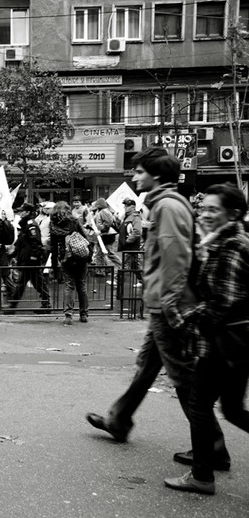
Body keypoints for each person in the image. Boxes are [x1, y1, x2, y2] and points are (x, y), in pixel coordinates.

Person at [85, 148, 229, 469]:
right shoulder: (164, 204)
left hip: (168, 305)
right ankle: (119, 419)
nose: (134, 177)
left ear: (156, 175)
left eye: (138, 171)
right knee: (147, 367)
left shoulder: (166, 206)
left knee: (181, 377)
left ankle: (212, 447)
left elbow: (176, 259)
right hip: (163, 303)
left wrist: (170, 304)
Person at [165, 183, 249, 495]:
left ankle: (201, 475)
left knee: (200, 404)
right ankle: (206, 462)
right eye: (204, 208)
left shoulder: (232, 248)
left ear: (234, 213)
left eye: (213, 209)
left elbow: (222, 303)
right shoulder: (223, 243)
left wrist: (185, 317)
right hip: (235, 343)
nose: (206, 214)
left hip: (223, 343)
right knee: (232, 410)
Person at [49, 201, 90, 325]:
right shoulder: (74, 221)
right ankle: (84, 314)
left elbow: (53, 247)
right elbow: (85, 237)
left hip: (66, 258)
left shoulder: (53, 225)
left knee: (69, 285)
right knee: (82, 285)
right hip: (81, 257)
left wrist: (54, 264)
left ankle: (68, 314)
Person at [7, 203, 51, 313]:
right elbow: (22, 242)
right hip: (27, 259)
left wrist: (33, 257)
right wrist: (13, 253)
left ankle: (13, 305)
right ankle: (14, 304)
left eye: (22, 211)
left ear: (27, 212)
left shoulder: (31, 225)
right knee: (32, 282)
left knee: (34, 282)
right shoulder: (25, 224)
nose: (19, 213)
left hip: (31, 260)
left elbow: (35, 242)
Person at [91, 198, 122, 275]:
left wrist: (101, 231)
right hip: (104, 235)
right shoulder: (104, 211)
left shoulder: (103, 212)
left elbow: (108, 223)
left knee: (109, 254)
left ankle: (121, 266)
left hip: (105, 236)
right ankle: (101, 271)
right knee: (100, 254)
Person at [119, 198, 144, 285]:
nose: (125, 207)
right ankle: (142, 280)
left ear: (133, 207)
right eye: (125, 205)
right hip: (128, 245)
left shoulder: (135, 217)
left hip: (131, 246)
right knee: (134, 264)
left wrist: (128, 241)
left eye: (127, 205)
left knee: (125, 263)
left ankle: (118, 281)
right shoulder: (126, 217)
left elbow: (137, 231)